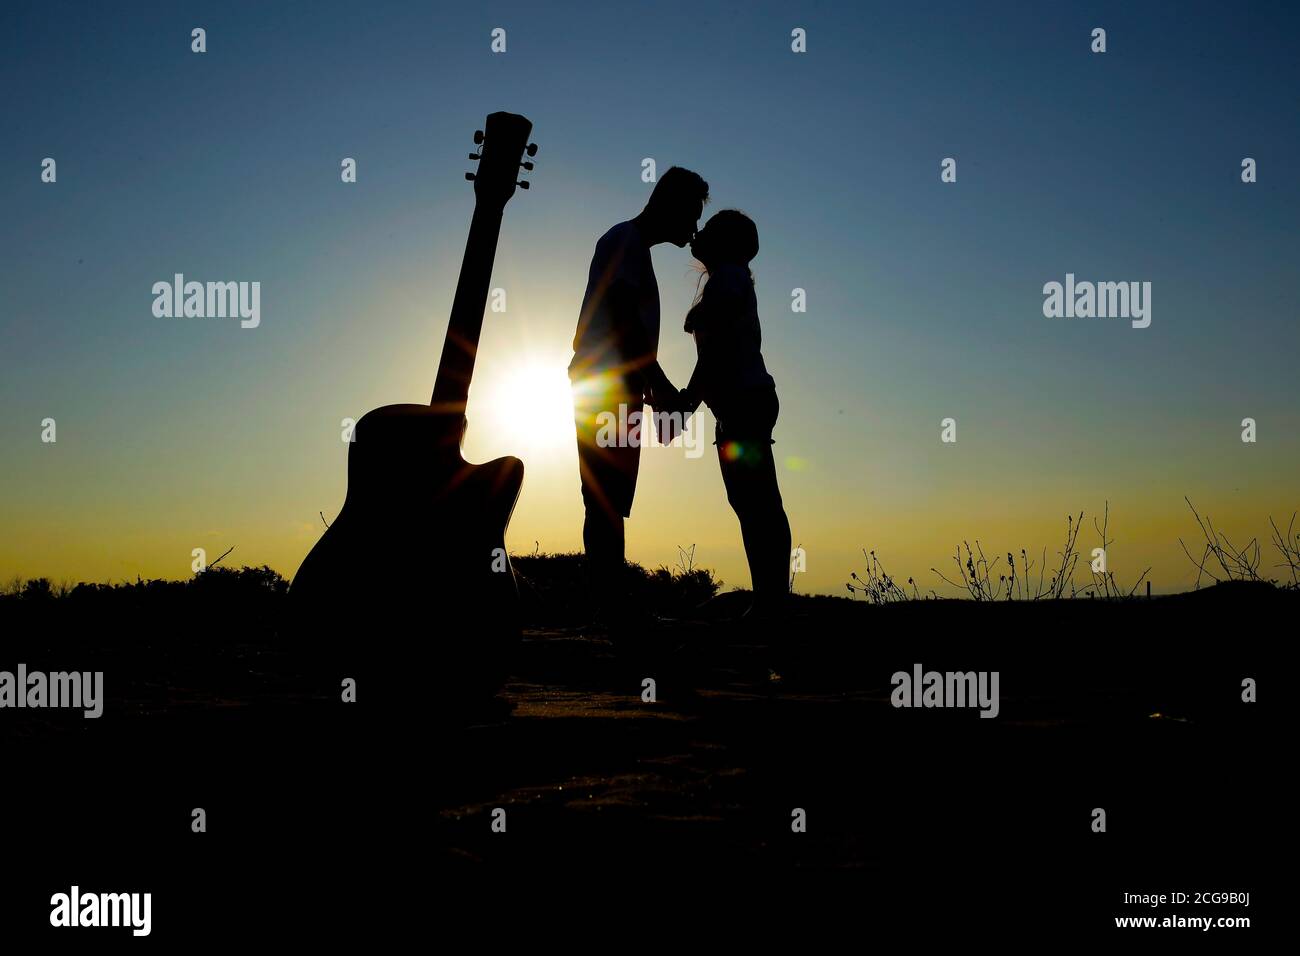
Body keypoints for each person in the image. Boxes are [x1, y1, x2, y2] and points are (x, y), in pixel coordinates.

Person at [569, 166, 709, 625]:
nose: (693, 228)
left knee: (609, 498)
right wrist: (664, 389)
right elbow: (623, 321)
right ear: (669, 204)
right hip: (606, 387)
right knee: (605, 498)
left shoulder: (629, 246)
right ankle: (611, 607)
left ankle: (609, 602)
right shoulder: (624, 242)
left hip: (614, 387)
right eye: (691, 214)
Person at [679, 210, 792, 620]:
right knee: (751, 501)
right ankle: (768, 597)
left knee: (756, 501)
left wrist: (686, 405)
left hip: (744, 404)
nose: (698, 230)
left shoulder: (728, 278)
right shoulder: (728, 279)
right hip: (741, 405)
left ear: (723, 242)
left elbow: (717, 352)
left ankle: (771, 601)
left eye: (708, 227)